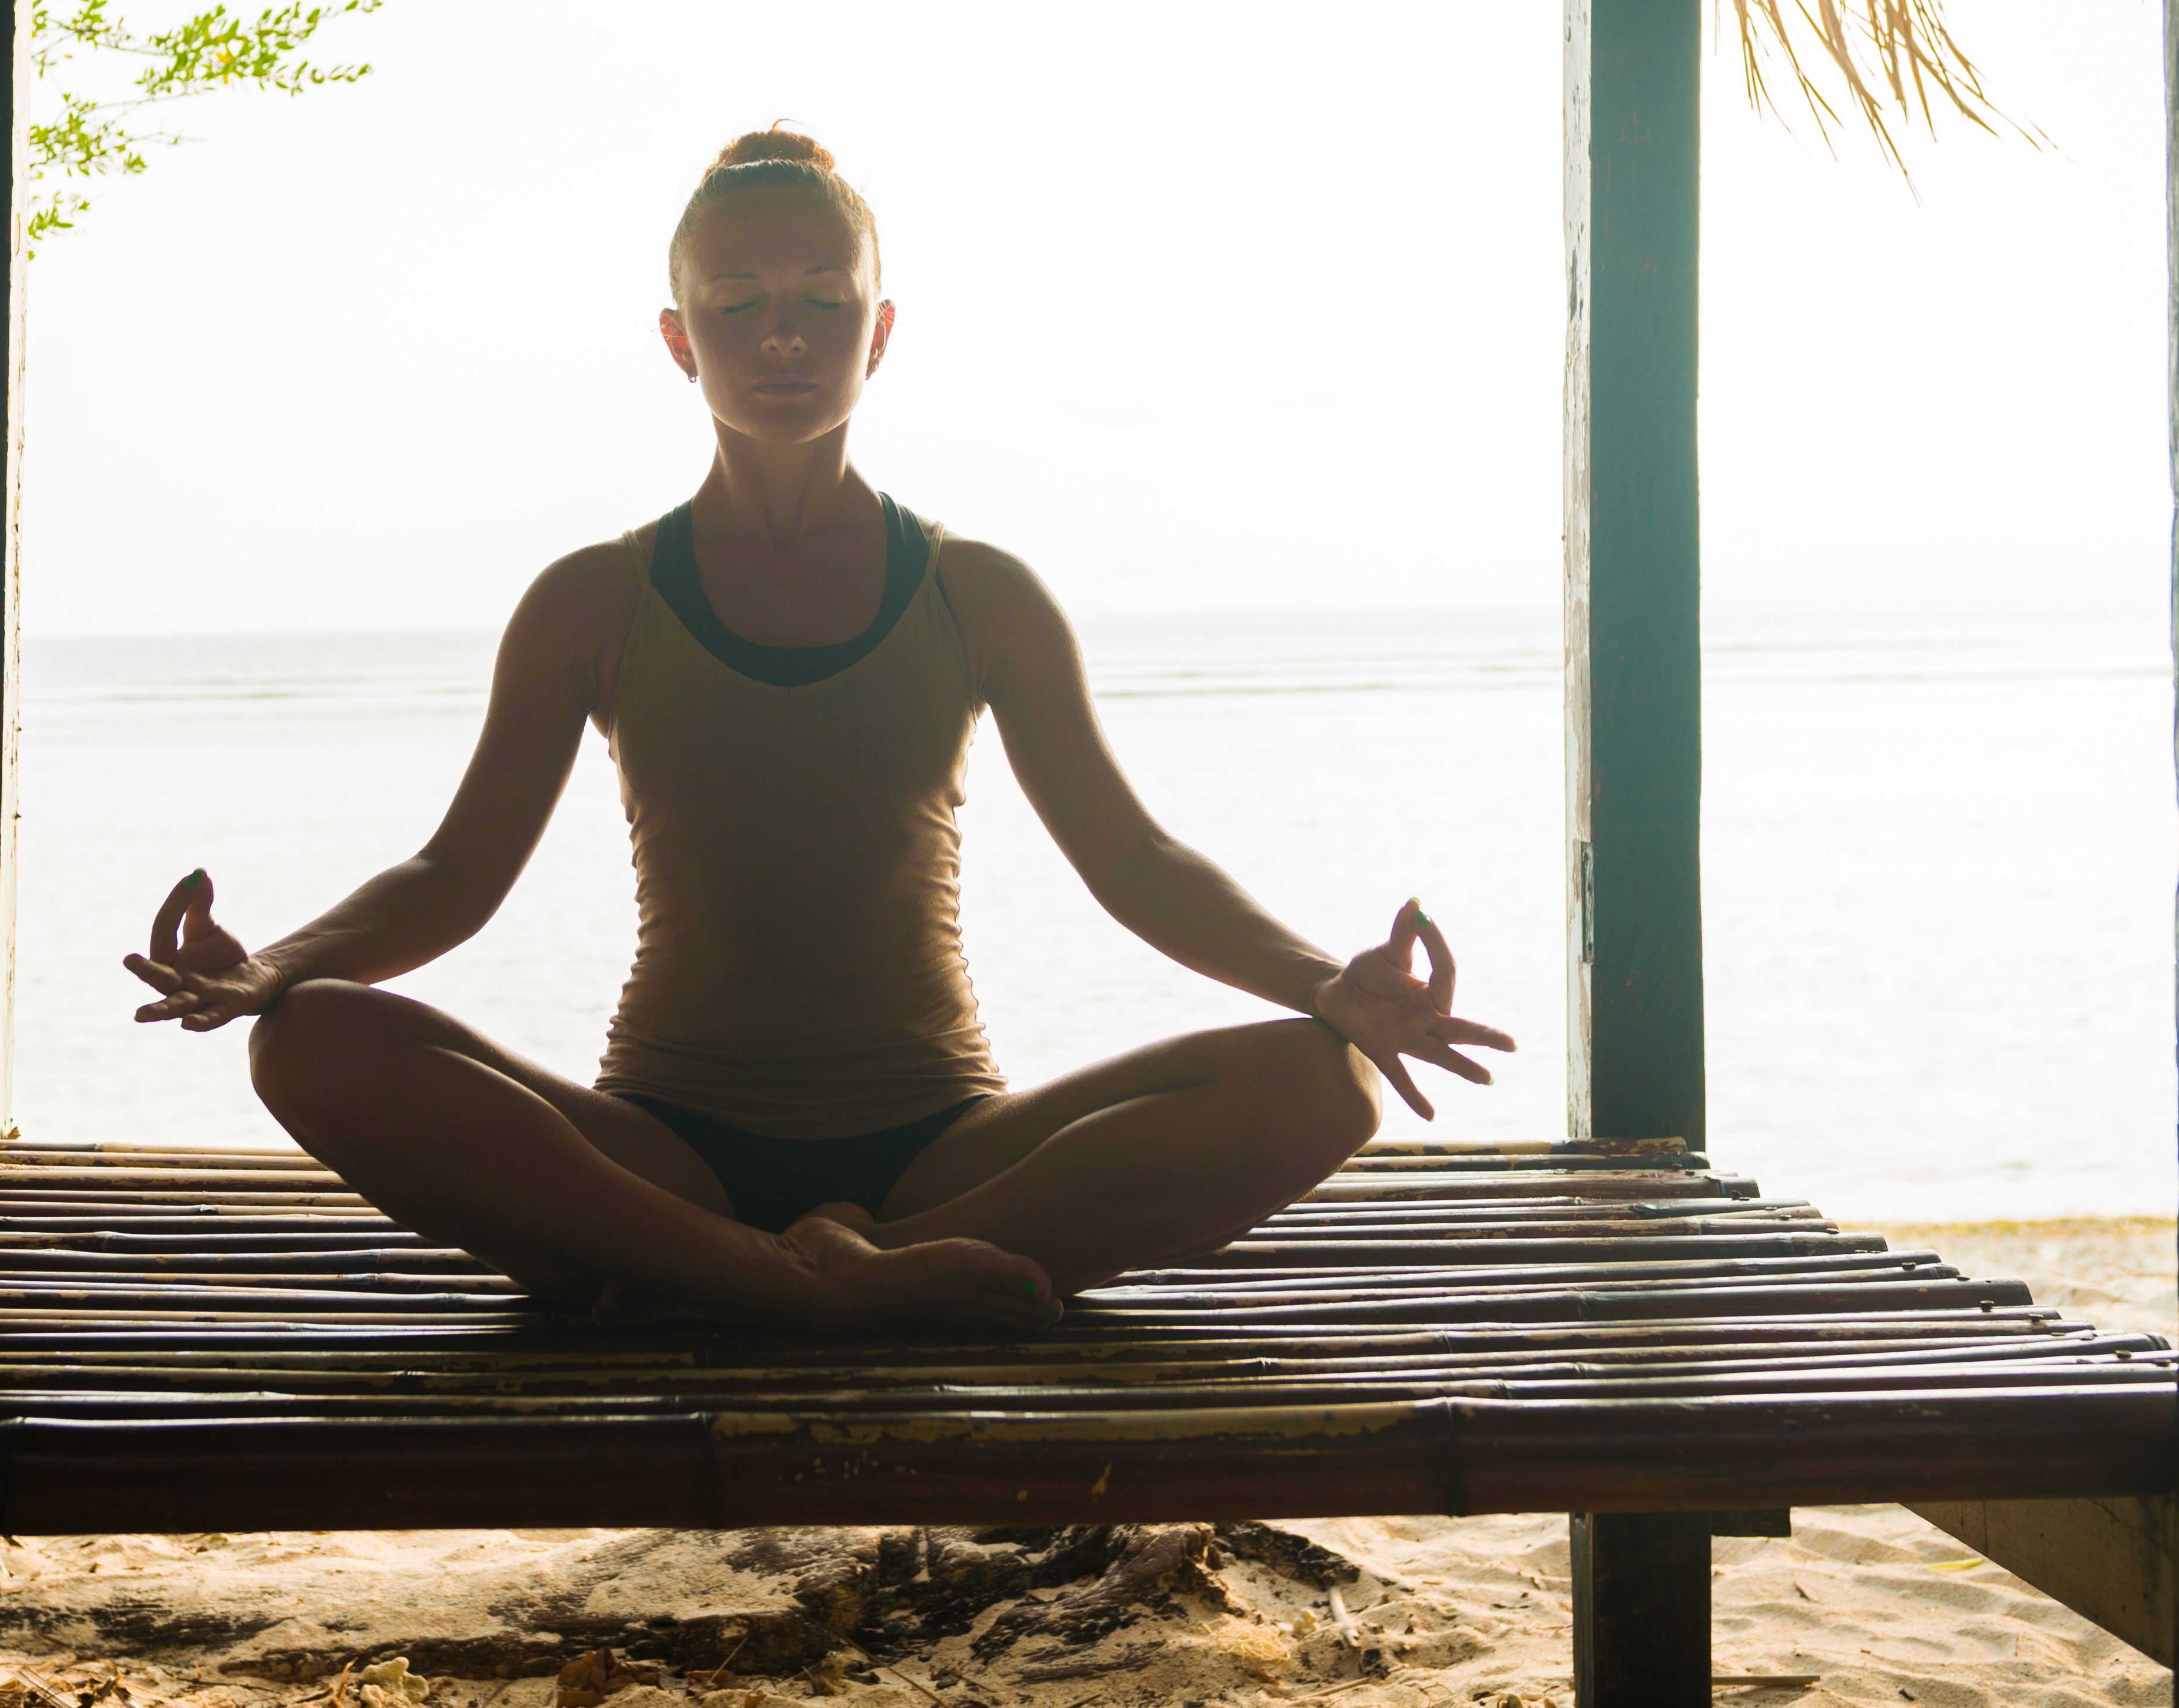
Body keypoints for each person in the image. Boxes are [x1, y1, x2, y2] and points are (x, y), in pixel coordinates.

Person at [125, 125, 1513, 1331]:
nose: (780, 333)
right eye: (736, 305)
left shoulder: (981, 594)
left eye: (819, 299)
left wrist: (1324, 984)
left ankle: (765, 1274)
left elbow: (1135, 859)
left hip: (949, 1152)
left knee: (1322, 1086)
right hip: (661, 1146)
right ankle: (805, 1278)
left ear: (880, 329)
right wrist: (277, 970)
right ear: (680, 339)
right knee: (310, 1043)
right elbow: (454, 876)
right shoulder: (592, 599)